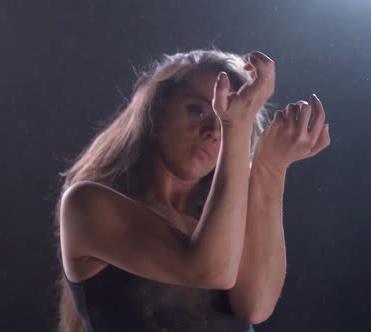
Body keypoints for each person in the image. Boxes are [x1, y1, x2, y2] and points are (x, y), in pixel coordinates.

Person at [52, 48, 331, 332]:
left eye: (223, 119)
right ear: (157, 111)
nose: (213, 130)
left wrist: (270, 169)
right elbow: (210, 270)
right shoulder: (87, 206)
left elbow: (255, 306)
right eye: (197, 110)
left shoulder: (227, 219)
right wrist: (234, 125)